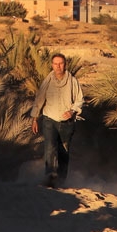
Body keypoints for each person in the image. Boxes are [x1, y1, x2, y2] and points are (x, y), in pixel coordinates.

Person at [31, 53, 84, 187]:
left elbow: (80, 100)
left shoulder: (73, 82)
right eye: (55, 63)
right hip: (50, 119)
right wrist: (35, 118)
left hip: (67, 122)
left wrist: (72, 111)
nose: (58, 66)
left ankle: (61, 181)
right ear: (52, 65)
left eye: (61, 63)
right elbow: (39, 99)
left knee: (63, 151)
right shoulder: (47, 81)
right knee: (50, 147)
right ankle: (49, 177)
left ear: (65, 65)